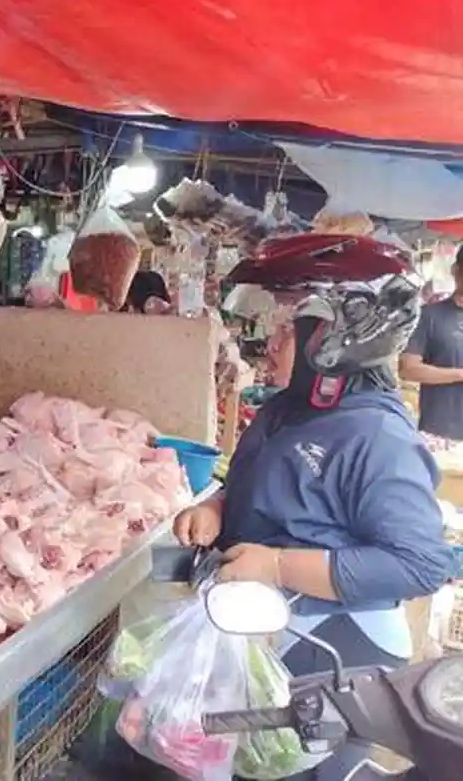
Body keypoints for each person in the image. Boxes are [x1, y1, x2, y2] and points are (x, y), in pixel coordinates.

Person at [174, 275, 453, 780]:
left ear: (332, 351)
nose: (273, 342)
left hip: (336, 649)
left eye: (292, 333)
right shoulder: (287, 407)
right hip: (269, 627)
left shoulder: (379, 437)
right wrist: (217, 507)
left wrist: (278, 565)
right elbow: (273, 485)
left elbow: (420, 564)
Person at [399, 246, 463, 439]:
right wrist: (460, 374)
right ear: (456, 270)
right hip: (441, 433)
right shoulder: (429, 316)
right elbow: (408, 370)